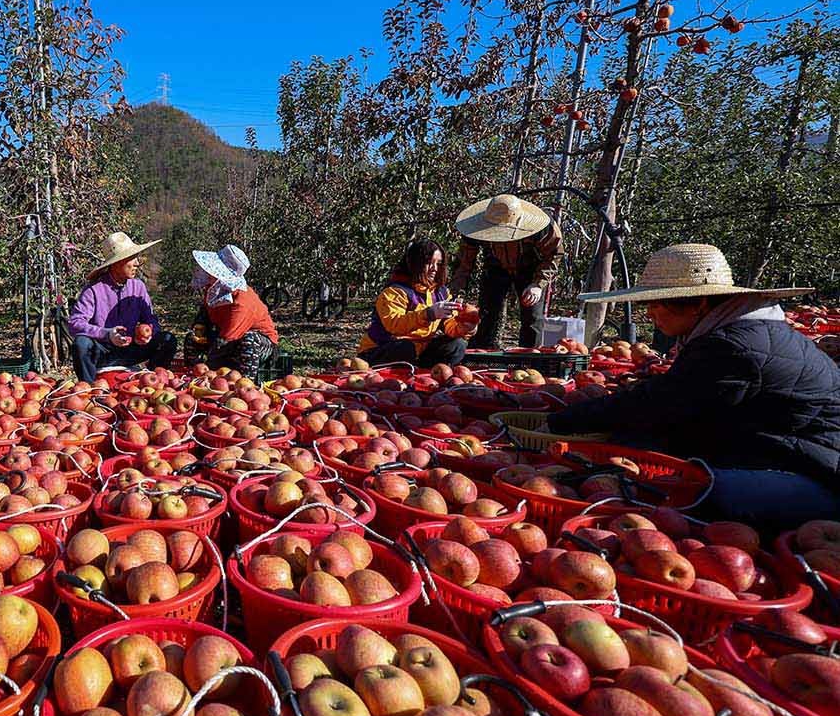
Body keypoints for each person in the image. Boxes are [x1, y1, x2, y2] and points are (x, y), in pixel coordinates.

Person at [547, 243, 840, 532]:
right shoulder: (741, 331)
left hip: (819, 474)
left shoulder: (732, 346)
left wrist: (561, 421)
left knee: (694, 498)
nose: (650, 313)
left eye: (657, 303)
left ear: (699, 304)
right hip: (785, 449)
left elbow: (659, 404)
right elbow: (681, 398)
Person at [449, 193, 564, 349]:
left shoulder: (544, 228)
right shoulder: (474, 229)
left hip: (530, 268)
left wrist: (538, 284)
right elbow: (464, 262)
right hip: (495, 265)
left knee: (532, 317)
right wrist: (456, 293)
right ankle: (483, 354)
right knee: (487, 313)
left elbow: (554, 254)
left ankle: (529, 359)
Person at [68, 231, 177, 382]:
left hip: (132, 348)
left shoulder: (138, 287)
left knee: (168, 339)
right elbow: (75, 324)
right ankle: (89, 388)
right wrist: (106, 334)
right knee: (81, 344)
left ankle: (153, 380)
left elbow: (151, 320)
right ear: (118, 263)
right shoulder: (93, 290)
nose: (137, 263)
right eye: (132, 259)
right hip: (104, 351)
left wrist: (147, 334)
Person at [356, 239, 475, 368]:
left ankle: (431, 374)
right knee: (405, 348)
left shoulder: (441, 293)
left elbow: (448, 324)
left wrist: (465, 327)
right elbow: (394, 325)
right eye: (429, 263)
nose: (434, 269)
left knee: (457, 345)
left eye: (439, 263)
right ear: (415, 264)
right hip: (381, 349)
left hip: (419, 351)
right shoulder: (395, 292)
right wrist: (428, 314)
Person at [186, 245, 279, 376]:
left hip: (257, 342)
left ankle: (246, 382)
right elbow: (205, 313)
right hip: (225, 336)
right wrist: (199, 329)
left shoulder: (242, 302)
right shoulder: (214, 290)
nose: (208, 274)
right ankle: (190, 373)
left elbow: (227, 339)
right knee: (192, 338)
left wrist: (208, 371)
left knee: (249, 339)